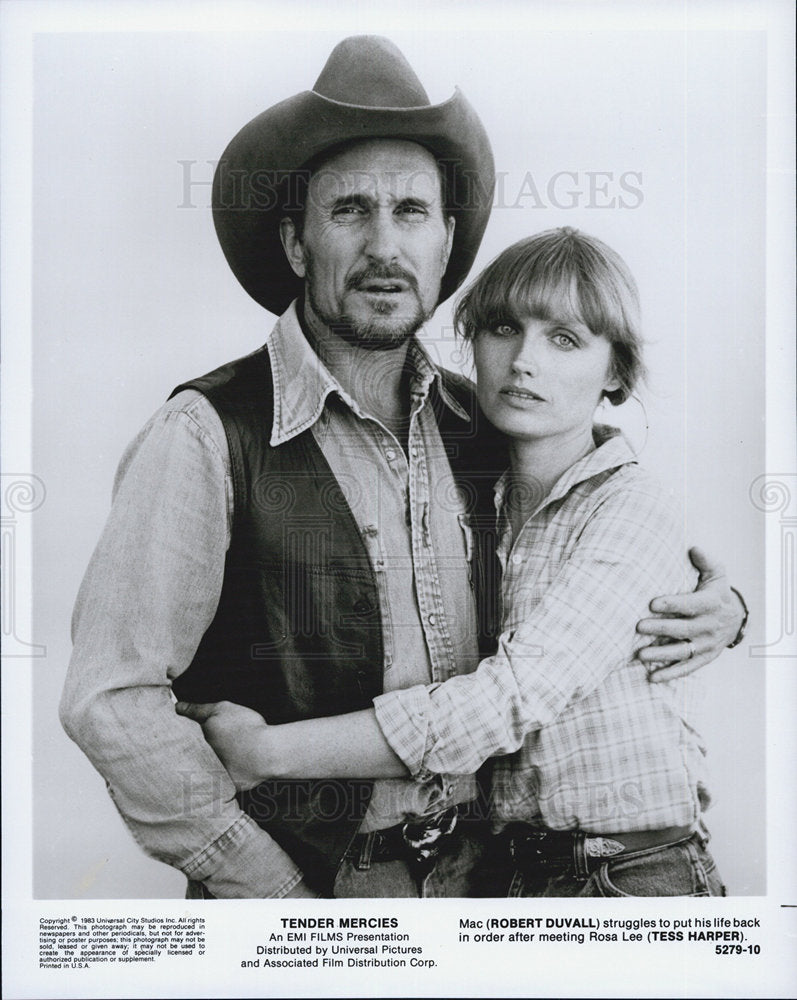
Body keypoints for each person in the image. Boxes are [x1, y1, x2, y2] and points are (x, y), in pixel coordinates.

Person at [60, 36, 745, 900]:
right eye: (350, 210)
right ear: (297, 243)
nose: (385, 245)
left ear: (445, 240)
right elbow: (111, 701)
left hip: (487, 885)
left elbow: (601, 537)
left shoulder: (485, 419)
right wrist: (270, 892)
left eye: (411, 212)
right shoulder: (206, 432)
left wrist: (724, 608)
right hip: (314, 887)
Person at [177, 228, 728, 897]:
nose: (523, 360)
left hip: (631, 875)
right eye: (502, 327)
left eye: (564, 339)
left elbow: (511, 697)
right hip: (506, 876)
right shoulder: (468, 482)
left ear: (614, 371)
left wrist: (269, 753)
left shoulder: (629, 502)